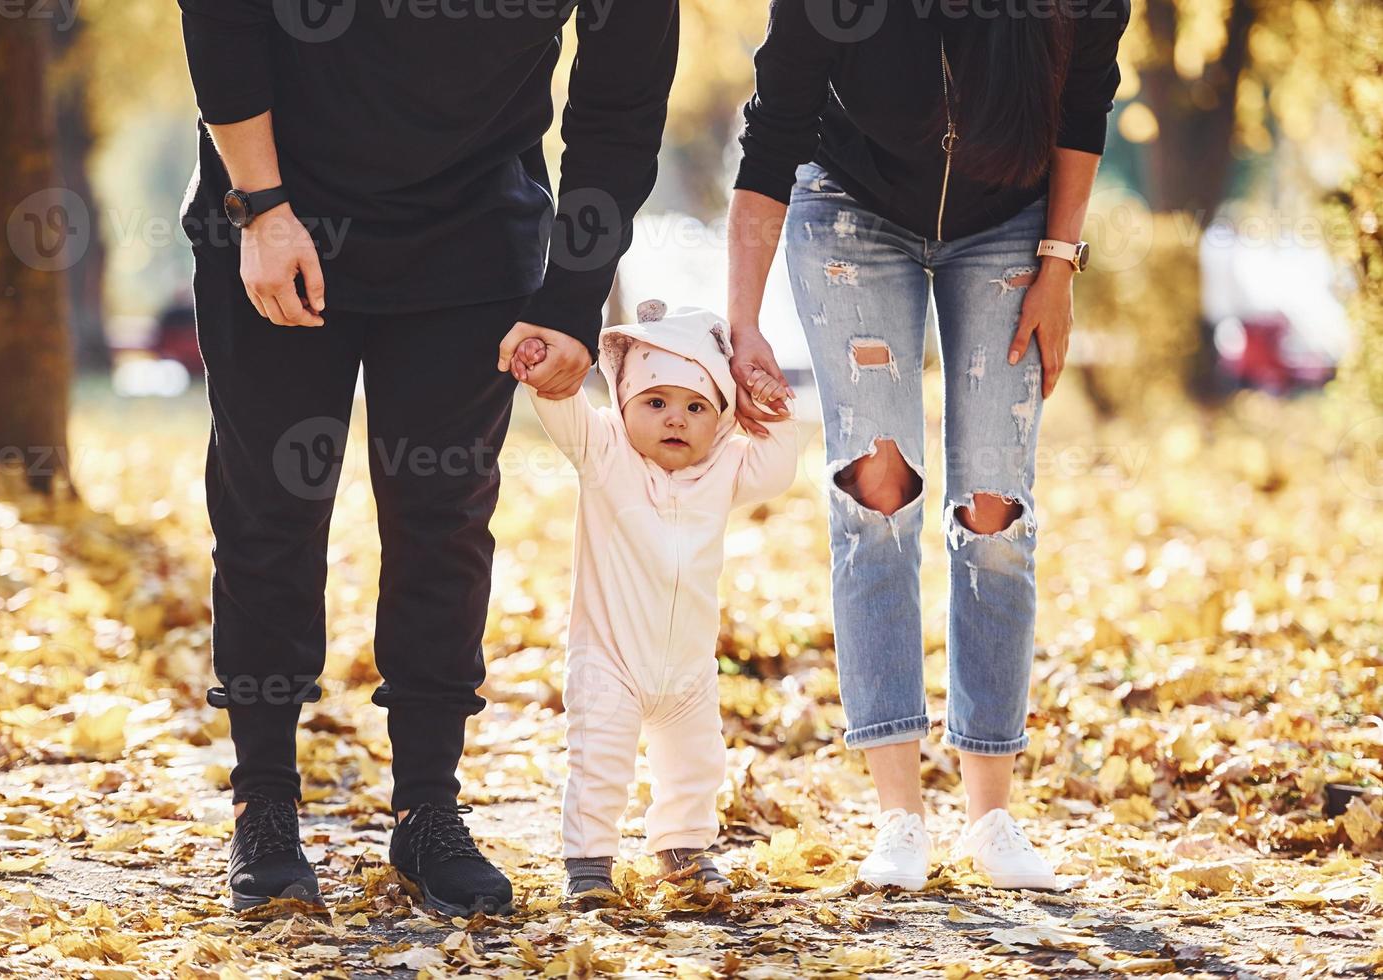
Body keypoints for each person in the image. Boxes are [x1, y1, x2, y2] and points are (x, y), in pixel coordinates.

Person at [175, 0, 680, 914]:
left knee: (442, 517)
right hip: (277, 208)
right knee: (268, 512)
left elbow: (621, 106)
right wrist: (258, 204)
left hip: (471, 234)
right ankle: (266, 803)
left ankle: (427, 808)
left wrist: (572, 300)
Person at [725, 0, 1131, 890]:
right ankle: (898, 817)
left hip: (1010, 225)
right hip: (850, 216)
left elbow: (1081, 105)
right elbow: (774, 129)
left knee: (994, 511)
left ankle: (991, 817)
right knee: (876, 493)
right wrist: (743, 319)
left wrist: (1058, 264)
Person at [508, 301, 799, 899]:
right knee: (600, 767)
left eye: (698, 407)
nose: (676, 420)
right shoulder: (605, 454)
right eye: (656, 403)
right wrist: (543, 367)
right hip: (609, 661)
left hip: (689, 669)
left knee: (696, 764)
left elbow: (775, 469)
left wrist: (766, 405)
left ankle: (683, 848)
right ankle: (589, 863)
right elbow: (564, 409)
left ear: (720, 420)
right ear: (622, 405)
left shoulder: (722, 470)